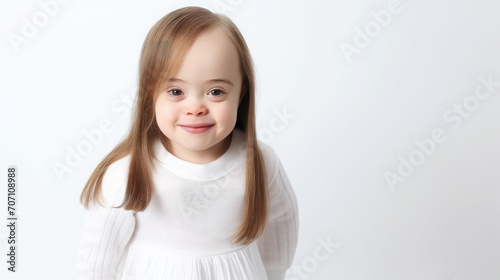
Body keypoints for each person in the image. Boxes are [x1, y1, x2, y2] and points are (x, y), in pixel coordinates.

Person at [75, 6, 299, 280]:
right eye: (176, 91)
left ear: (241, 94)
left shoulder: (259, 161)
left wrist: (275, 273)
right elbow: (97, 259)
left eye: (216, 91)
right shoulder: (130, 171)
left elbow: (281, 224)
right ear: (150, 95)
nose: (195, 108)